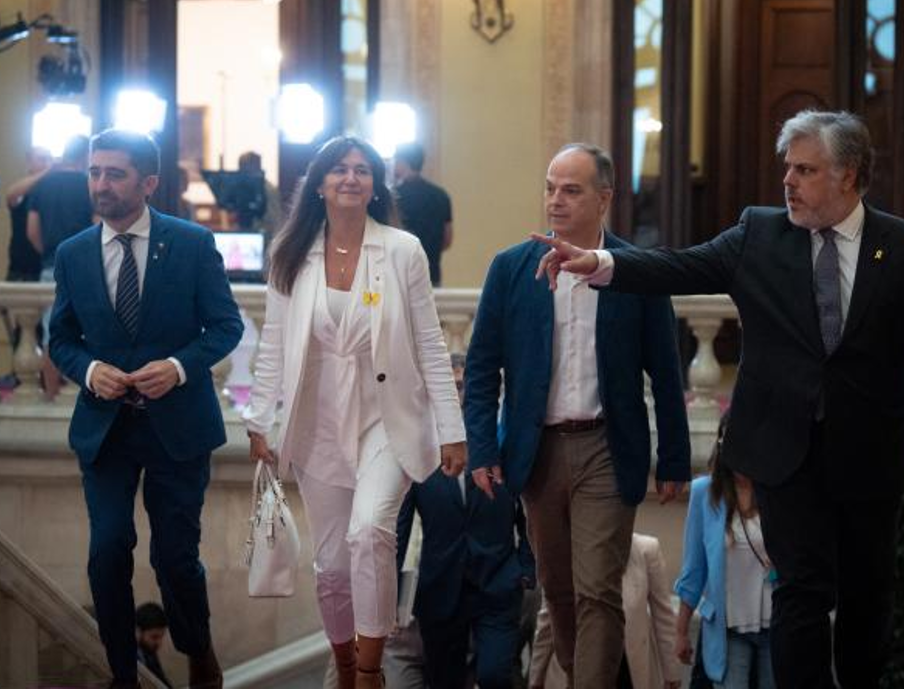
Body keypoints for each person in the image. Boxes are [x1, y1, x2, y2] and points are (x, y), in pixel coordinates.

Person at [533, 110, 904, 689]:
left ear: (849, 175)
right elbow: (679, 265)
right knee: (800, 591)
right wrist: (600, 263)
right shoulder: (761, 234)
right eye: (787, 168)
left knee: (868, 595)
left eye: (805, 170)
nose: (788, 181)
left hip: (869, 454)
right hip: (782, 449)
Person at [242, 135, 467, 689]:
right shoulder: (289, 253)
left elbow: (432, 345)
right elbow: (272, 341)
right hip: (317, 420)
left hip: (388, 420)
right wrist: (258, 420)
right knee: (333, 567)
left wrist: (452, 430)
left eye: (362, 170)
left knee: (371, 532)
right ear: (318, 184)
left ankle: (370, 674)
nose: (350, 178)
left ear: (375, 185)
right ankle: (344, 670)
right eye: (339, 170)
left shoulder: (402, 250)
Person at [463, 142, 690, 688]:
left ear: (604, 198)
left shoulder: (635, 271)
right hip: (536, 453)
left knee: (597, 591)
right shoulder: (510, 269)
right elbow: (481, 366)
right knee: (558, 593)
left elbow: (666, 370)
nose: (555, 201)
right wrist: (482, 448)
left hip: (608, 450)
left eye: (571, 190)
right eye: (549, 188)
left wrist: (676, 459)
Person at [48, 129, 243, 689]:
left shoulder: (191, 243)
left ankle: (198, 650)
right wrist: (88, 370)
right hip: (105, 430)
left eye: (115, 173)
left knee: (174, 556)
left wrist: (177, 368)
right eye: (94, 172)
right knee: (108, 549)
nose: (101, 184)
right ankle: (121, 673)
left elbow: (226, 326)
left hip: (177, 428)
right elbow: (60, 338)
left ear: (148, 182)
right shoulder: (72, 254)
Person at [395, 439, 535, 689]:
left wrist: (525, 567)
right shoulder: (418, 456)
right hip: (439, 590)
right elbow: (400, 529)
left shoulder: (503, 443)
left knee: (495, 676)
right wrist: (390, 596)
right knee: (445, 682)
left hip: (497, 586)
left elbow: (530, 511)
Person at [676, 419, 775, 689]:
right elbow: (693, 569)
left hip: (777, 625)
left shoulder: (777, 493)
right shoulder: (704, 494)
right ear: (722, 445)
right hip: (729, 628)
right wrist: (681, 631)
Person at [530, 533, 683, 689]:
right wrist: (536, 677)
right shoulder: (564, 552)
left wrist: (672, 671)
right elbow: (548, 619)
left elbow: (663, 616)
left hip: (628, 668)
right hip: (578, 665)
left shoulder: (646, 550)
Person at [30, 134, 95, 398]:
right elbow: (97, 226)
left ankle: (51, 393)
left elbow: (32, 230)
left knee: (51, 333)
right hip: (85, 267)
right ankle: (84, 393)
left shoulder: (42, 184)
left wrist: (48, 253)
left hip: (49, 266)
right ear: (84, 157)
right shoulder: (88, 184)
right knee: (90, 330)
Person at [392, 142, 452, 286]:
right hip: (431, 274)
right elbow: (447, 239)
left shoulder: (393, 197)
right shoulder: (441, 195)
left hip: (399, 275)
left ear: (401, 161)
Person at [5, 145, 52, 283]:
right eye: (42, 159)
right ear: (29, 162)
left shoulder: (52, 190)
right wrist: (49, 171)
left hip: (45, 266)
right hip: (21, 269)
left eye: (49, 159)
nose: (46, 163)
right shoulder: (23, 189)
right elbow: (11, 195)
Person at [135, 602, 174, 689]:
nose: (159, 642)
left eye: (161, 636)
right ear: (138, 631)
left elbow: (160, 681)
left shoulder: (148, 652)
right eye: (154, 637)